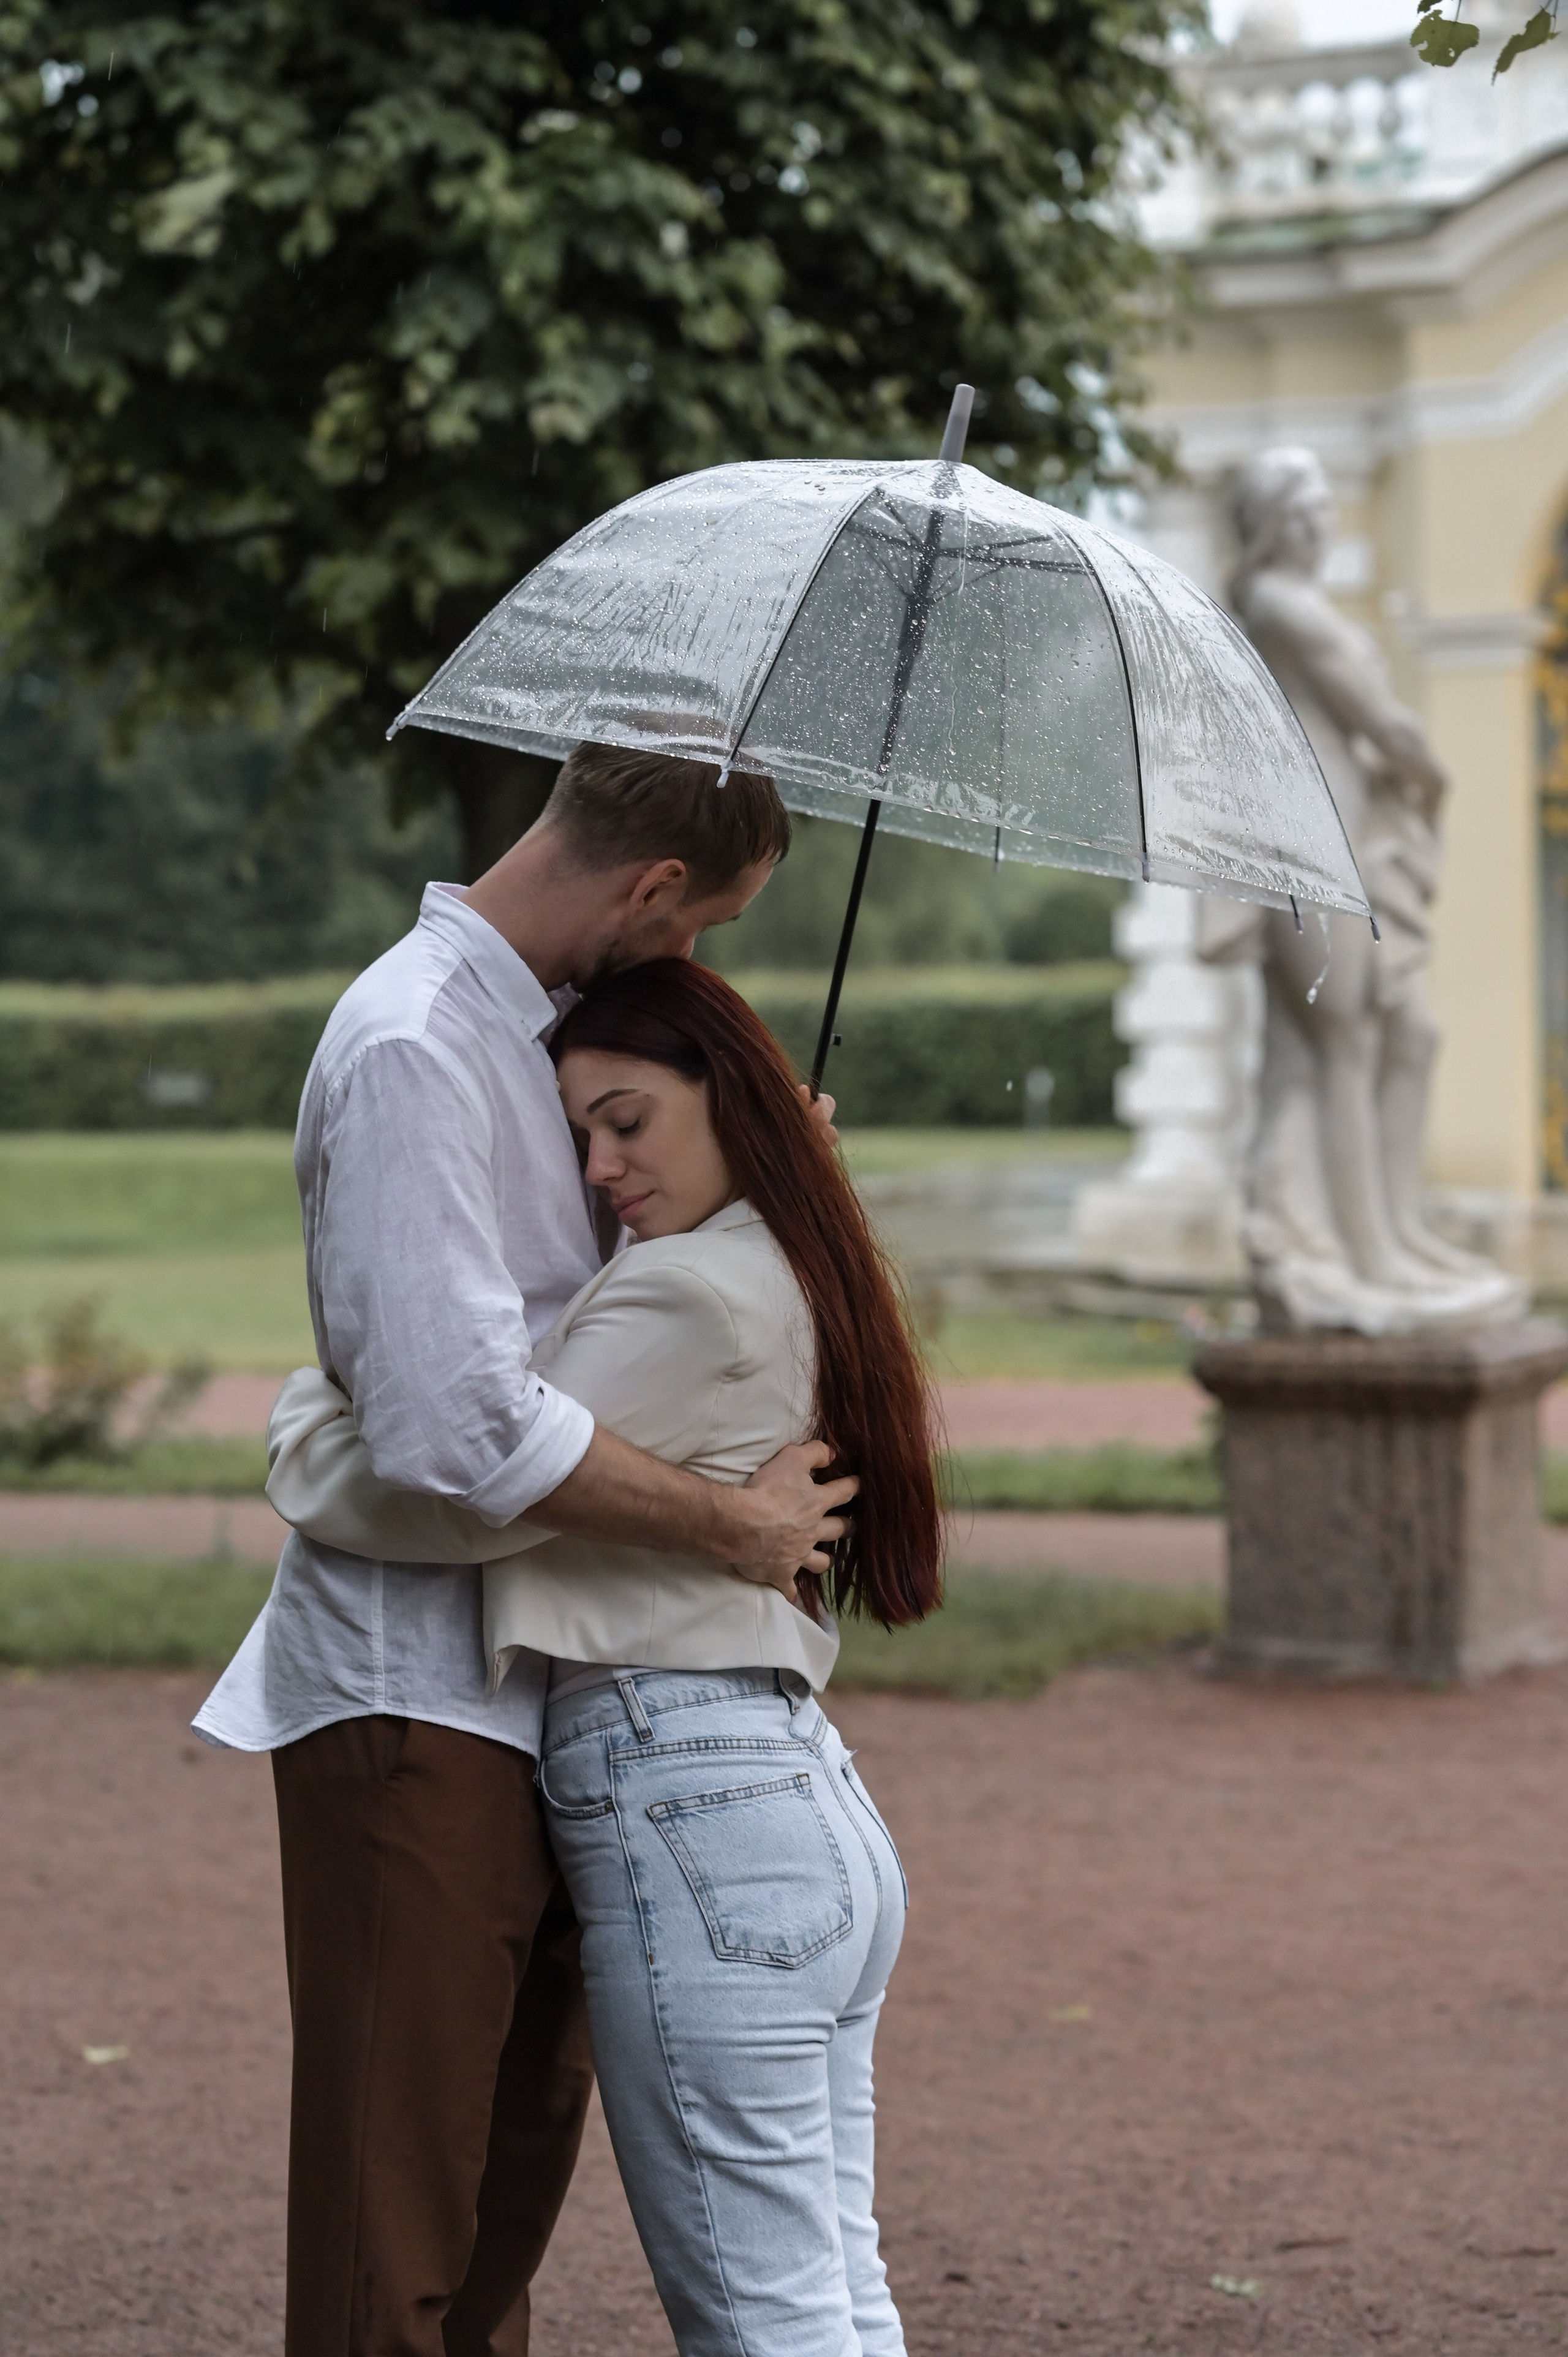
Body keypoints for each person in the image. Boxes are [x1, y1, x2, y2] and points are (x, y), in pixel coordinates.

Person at [193, 745, 859, 2357]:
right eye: (700, 924)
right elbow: (457, 1429)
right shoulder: (417, 1043)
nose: (692, 961)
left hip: (557, 1697)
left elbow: (597, 1334)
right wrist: (733, 1522)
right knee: (394, 2242)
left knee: (496, 2224)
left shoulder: (537, 1039)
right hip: (413, 1693)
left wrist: (753, 1183)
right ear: (652, 887)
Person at [266, 957, 944, 2357]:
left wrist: (303, 1424)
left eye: (628, 1120)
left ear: (733, 1097)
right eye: (581, 1133)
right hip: (789, 1804)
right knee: (829, 2289)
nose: (599, 1167)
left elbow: (475, 1478)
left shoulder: (689, 1291)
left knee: (762, 2313)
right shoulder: (783, 1258)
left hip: (691, 1797)